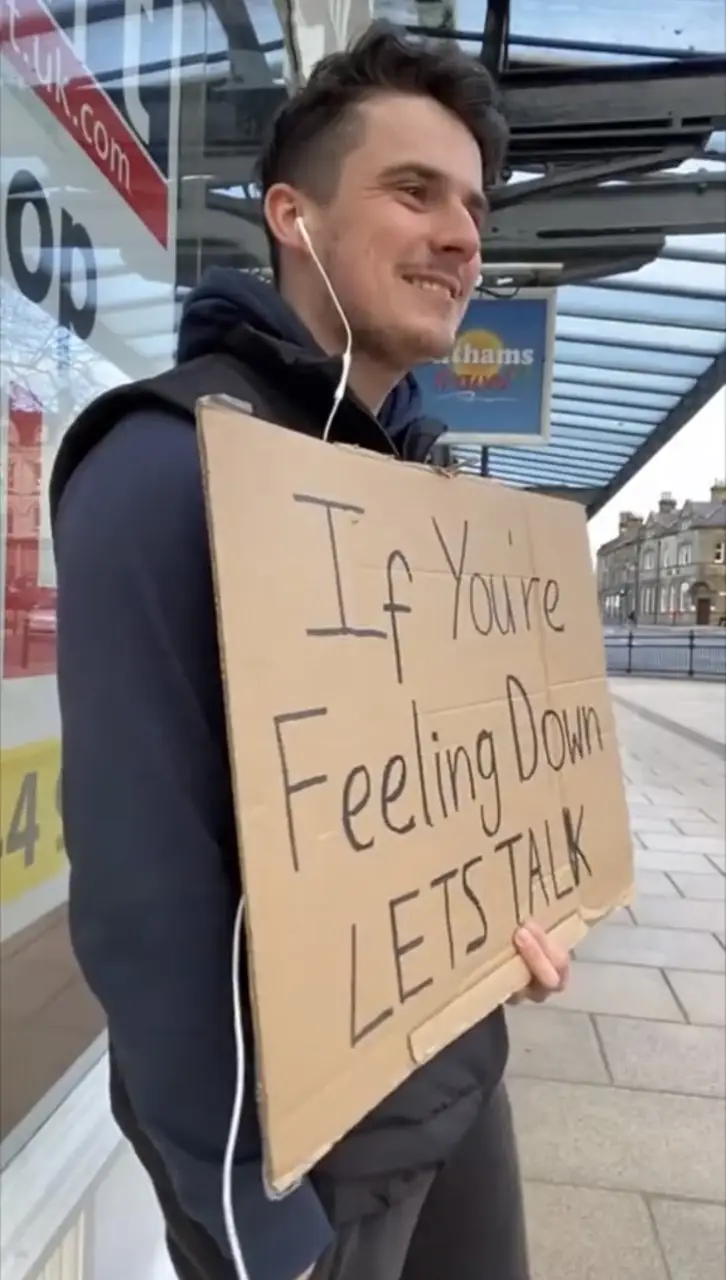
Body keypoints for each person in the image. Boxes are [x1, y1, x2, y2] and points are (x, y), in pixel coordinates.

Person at [50, 22, 571, 1280]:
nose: (462, 235)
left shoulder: (426, 489)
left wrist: (509, 913)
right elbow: (145, 898)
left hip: (456, 1084)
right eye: (414, 191)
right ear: (293, 213)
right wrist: (253, 1226)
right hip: (305, 1173)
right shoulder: (163, 466)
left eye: (474, 207)